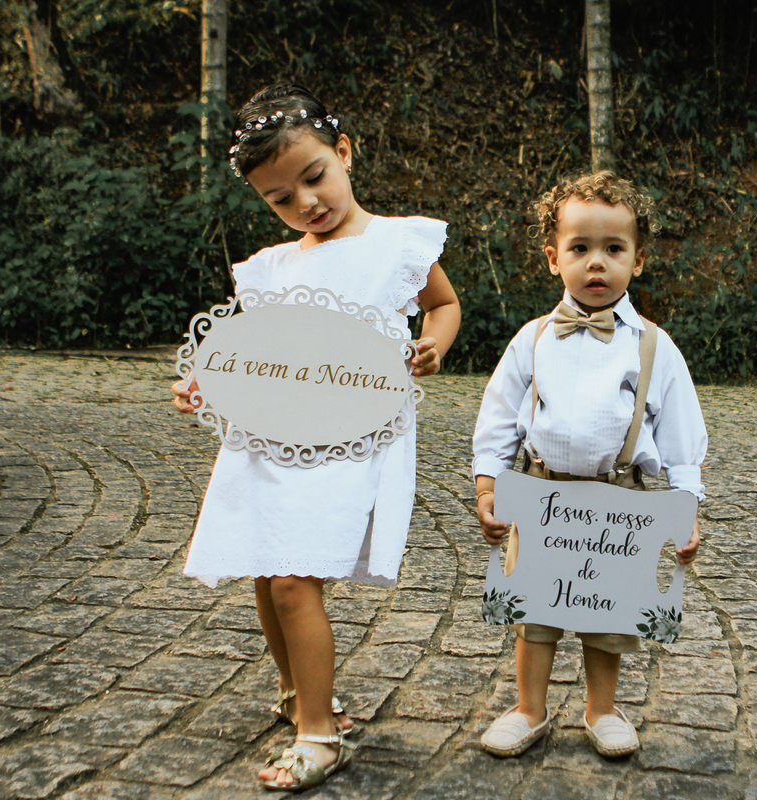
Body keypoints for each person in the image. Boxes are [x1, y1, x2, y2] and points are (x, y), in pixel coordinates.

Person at [171, 82, 460, 792]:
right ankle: (299, 693)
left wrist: (434, 344)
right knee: (269, 572)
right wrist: (206, 380)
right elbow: (249, 349)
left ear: (344, 152)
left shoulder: (397, 244)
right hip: (272, 438)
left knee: (296, 577)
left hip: (351, 437)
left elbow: (444, 303)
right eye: (280, 198)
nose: (305, 202)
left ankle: (319, 736)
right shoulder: (272, 267)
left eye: (314, 176)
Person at [471, 172, 706, 759]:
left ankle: (602, 709)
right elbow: (497, 417)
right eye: (579, 248)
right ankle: (530, 708)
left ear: (638, 260)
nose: (596, 262)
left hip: (617, 501)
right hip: (541, 497)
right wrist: (487, 486)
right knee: (535, 611)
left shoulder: (653, 346)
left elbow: (682, 435)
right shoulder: (532, 339)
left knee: (608, 614)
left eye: (613, 249)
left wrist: (686, 507)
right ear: (554, 258)